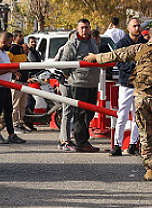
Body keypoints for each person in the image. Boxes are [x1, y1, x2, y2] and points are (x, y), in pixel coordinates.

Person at [84, 19, 152, 181]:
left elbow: (116, 54)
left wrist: (95, 57)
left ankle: (149, 170)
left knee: (145, 133)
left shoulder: (139, 49)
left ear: (150, 35)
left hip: (140, 98)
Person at [59, 18, 100, 153]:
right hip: (79, 83)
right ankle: (81, 142)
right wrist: (69, 76)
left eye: (87, 27)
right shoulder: (73, 43)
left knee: (90, 113)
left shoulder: (91, 41)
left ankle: (83, 140)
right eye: (82, 27)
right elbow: (64, 63)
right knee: (80, 114)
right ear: (77, 29)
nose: (84, 30)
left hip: (92, 83)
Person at [109, 18, 146, 157]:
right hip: (126, 84)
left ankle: (132, 144)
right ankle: (117, 145)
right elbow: (120, 64)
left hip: (141, 85)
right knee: (122, 115)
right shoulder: (122, 44)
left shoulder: (144, 43)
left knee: (138, 116)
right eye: (134, 26)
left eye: (138, 25)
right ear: (128, 28)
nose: (137, 28)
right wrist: (136, 65)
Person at [0, 32, 26, 144]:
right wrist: (9, 70)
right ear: (3, 42)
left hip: (5, 84)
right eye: (9, 43)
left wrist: (12, 71)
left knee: (9, 110)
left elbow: (5, 67)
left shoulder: (3, 52)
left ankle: (11, 134)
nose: (10, 45)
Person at [56, 30, 77, 151]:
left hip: (71, 83)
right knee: (67, 111)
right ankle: (65, 141)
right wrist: (67, 78)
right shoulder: (65, 49)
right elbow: (59, 66)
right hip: (66, 83)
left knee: (70, 111)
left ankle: (63, 138)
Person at [9, 30, 30, 134]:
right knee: (15, 104)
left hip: (25, 81)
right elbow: (7, 63)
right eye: (20, 36)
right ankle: (15, 124)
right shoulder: (12, 49)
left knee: (23, 104)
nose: (22, 38)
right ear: (14, 38)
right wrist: (14, 72)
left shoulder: (22, 49)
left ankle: (21, 122)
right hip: (17, 81)